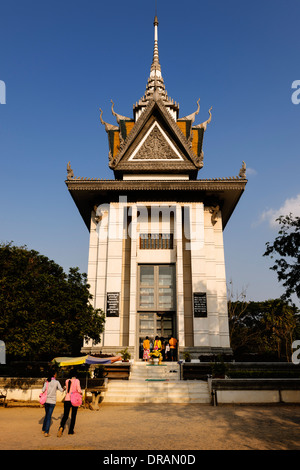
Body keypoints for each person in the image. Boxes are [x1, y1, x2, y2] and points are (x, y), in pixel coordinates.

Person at [57, 370, 82, 436]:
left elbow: (66, 388)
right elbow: (79, 390)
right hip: (74, 400)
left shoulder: (67, 381)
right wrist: (81, 393)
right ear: (76, 375)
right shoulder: (77, 381)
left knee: (65, 415)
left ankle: (61, 427)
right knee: (73, 416)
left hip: (67, 399)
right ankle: (71, 431)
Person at [41, 371, 64, 437]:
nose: (56, 375)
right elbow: (61, 390)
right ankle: (46, 432)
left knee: (47, 415)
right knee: (49, 416)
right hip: (52, 401)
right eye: (56, 374)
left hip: (46, 401)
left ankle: (43, 429)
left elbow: (43, 390)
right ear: (54, 375)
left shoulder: (47, 382)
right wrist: (64, 388)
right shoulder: (57, 382)